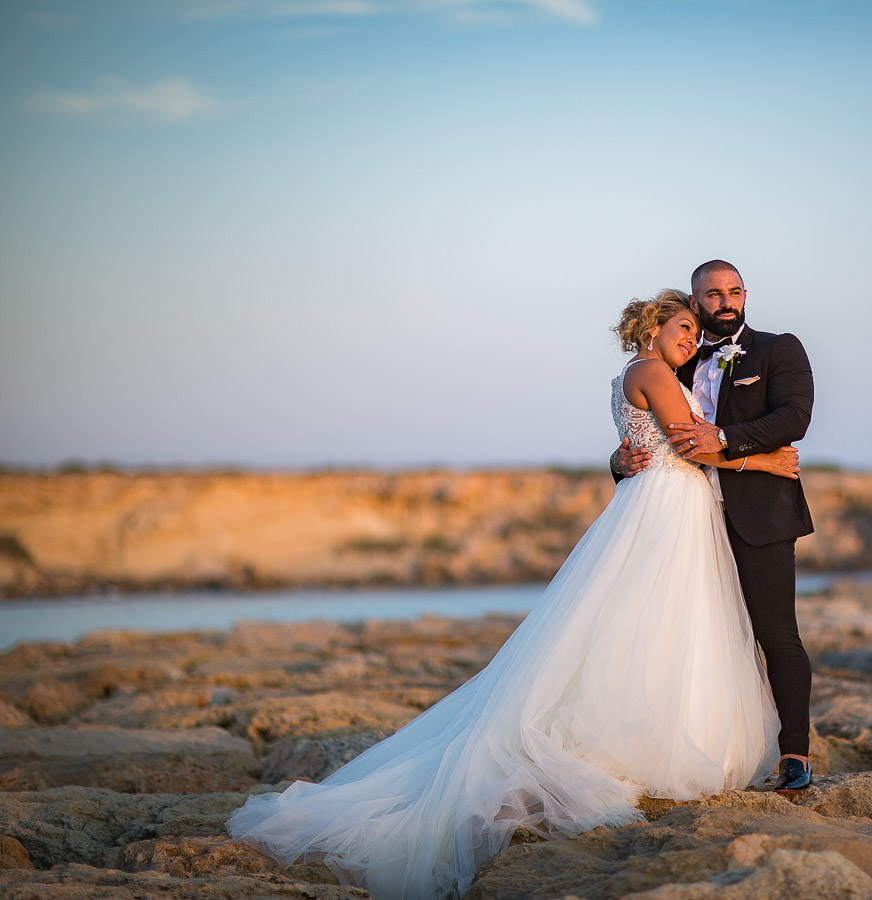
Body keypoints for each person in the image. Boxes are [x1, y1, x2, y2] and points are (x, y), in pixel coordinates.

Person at [227, 290, 802, 900]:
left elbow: (654, 444)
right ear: (653, 328)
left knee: (647, 624)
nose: (690, 338)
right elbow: (690, 442)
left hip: (661, 504)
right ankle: (647, 741)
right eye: (682, 325)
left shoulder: (631, 373)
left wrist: (630, 457)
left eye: (694, 329)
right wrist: (768, 463)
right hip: (667, 508)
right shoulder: (656, 371)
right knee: (659, 622)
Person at [612, 260, 815, 792]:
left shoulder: (777, 348)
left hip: (759, 516)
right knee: (686, 635)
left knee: (776, 634)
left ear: (745, 295)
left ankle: (794, 754)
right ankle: (686, 746)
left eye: (734, 291)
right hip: (688, 518)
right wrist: (620, 460)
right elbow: (654, 432)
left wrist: (725, 440)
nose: (725, 301)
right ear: (696, 302)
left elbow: (793, 417)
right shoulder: (675, 359)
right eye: (712, 294)